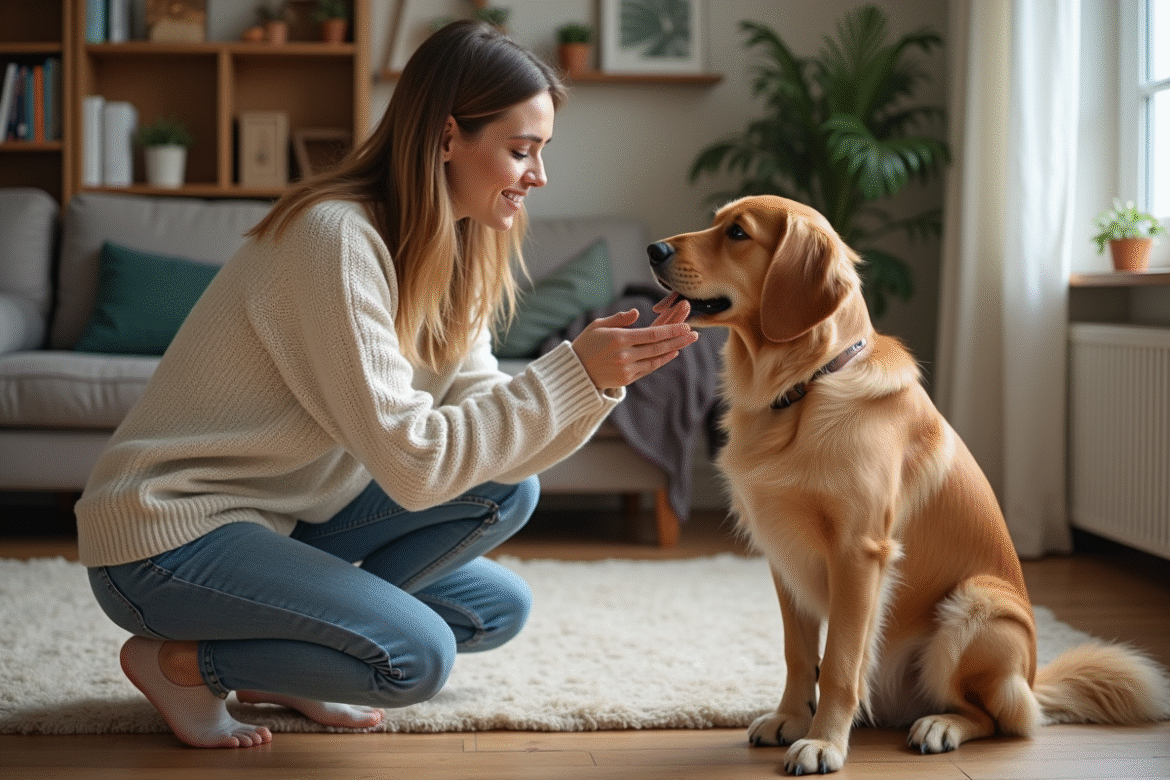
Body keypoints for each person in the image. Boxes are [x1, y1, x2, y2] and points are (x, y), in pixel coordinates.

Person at [76, 20, 697, 749]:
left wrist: (597, 383)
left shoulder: (459, 250)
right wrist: (574, 371)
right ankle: (183, 663)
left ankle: (291, 660)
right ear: (444, 139)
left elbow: (484, 420)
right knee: (415, 656)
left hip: (283, 517)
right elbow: (414, 462)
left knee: (499, 570)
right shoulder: (335, 238)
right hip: (167, 537)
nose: (539, 175)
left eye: (541, 151)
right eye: (522, 150)